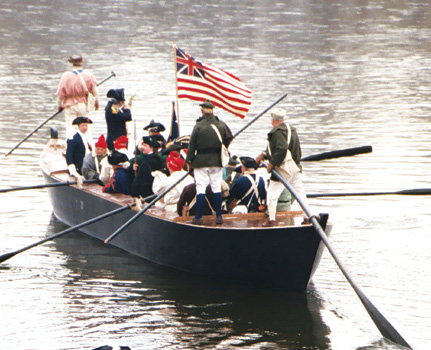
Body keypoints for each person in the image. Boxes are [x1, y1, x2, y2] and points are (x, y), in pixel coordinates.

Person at [255, 107, 308, 227]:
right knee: (300, 194)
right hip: (294, 167)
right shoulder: (292, 130)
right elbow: (294, 150)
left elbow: (281, 149)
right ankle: (307, 218)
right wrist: (264, 154)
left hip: (282, 169)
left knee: (272, 194)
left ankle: (271, 220)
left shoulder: (277, 132)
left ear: (273, 119)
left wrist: (271, 164)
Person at [185, 100, 233, 225]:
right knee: (216, 187)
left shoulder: (198, 126)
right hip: (217, 161)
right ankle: (218, 216)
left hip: (201, 162)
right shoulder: (221, 125)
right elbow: (228, 139)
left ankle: (198, 217)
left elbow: (191, 146)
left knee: (201, 188)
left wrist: (188, 160)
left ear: (202, 111)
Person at [56, 55, 99, 138]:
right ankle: (87, 147)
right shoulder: (88, 75)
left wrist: (59, 105)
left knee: (70, 128)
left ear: (72, 64)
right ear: (81, 63)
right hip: (83, 105)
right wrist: (97, 104)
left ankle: (70, 146)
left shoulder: (66, 76)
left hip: (70, 106)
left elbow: (60, 94)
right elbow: (95, 92)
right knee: (85, 127)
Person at [131, 136, 163, 206]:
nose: (142, 147)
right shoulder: (152, 159)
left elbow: (148, 178)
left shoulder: (150, 161)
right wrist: (138, 169)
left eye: (145, 146)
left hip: (146, 197)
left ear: (151, 148)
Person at [65, 116, 93, 189]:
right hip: (79, 168)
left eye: (86, 125)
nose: (85, 127)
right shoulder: (73, 138)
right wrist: (73, 171)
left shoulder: (86, 137)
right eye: (83, 125)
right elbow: (69, 155)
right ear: (78, 126)